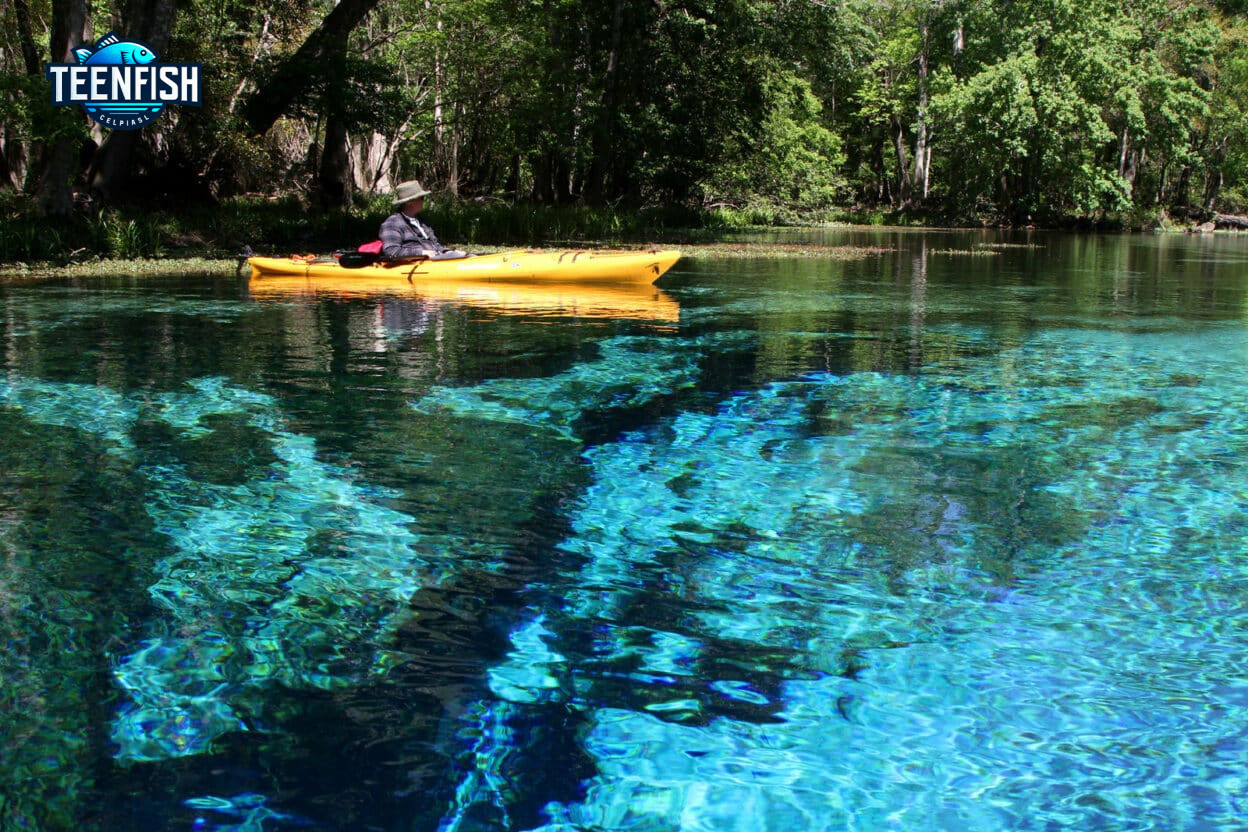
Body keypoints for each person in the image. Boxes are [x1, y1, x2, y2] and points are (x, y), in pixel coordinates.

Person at [378, 180, 468, 260]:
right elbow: (391, 251)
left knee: (470, 256)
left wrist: (449, 252)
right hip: (417, 266)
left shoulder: (421, 221)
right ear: (409, 202)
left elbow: (435, 246)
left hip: (434, 261)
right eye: (421, 198)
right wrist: (421, 252)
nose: (423, 201)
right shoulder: (392, 223)